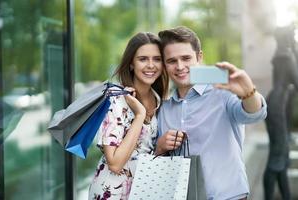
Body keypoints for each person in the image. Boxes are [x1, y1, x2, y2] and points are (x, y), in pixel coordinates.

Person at [155, 26, 267, 200]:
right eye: (171, 61)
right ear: (164, 65)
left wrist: (249, 92)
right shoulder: (164, 109)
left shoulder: (222, 92)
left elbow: (254, 114)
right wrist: (160, 147)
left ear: (199, 57)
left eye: (186, 58)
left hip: (228, 196)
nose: (180, 66)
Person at [88, 32, 168, 200]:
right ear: (131, 63)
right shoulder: (115, 100)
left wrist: (160, 148)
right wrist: (140, 115)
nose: (151, 65)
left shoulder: (160, 100)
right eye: (143, 59)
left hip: (144, 190)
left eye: (157, 59)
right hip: (112, 192)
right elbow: (115, 163)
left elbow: (147, 152)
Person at [263, 25, 298, 200]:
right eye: (292, 35)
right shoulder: (286, 56)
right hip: (277, 108)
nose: (294, 37)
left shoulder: (281, 54)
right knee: (277, 157)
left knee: (282, 157)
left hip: (276, 105)